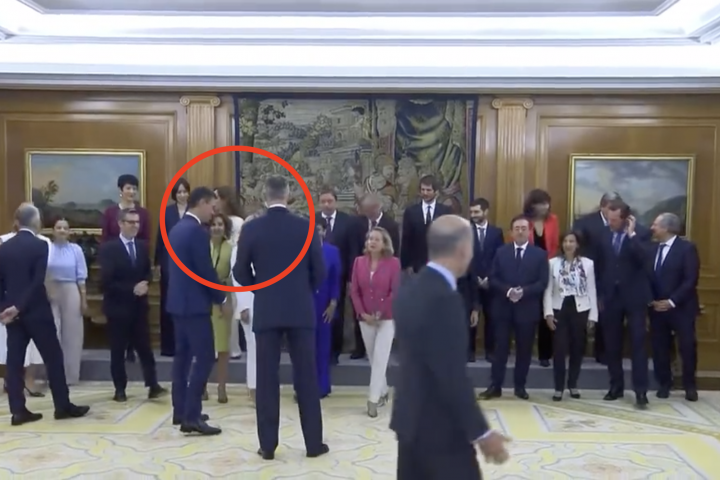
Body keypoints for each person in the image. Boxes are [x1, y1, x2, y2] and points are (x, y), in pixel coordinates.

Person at [391, 215, 510, 480]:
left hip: (409, 421)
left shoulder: (409, 289)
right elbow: (451, 374)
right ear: (463, 249)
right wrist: (482, 433)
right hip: (441, 433)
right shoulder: (445, 298)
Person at [233, 175, 328, 460]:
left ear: (265, 196)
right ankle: (313, 444)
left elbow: (240, 272)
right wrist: (303, 290)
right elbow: (319, 271)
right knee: (307, 377)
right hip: (300, 309)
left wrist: (261, 287)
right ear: (287, 195)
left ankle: (268, 446)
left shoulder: (252, 228)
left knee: (266, 379)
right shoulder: (306, 226)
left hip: (268, 309)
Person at [0, 204, 90, 426]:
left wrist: (5, 308)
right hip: (37, 312)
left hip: (12, 315)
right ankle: (62, 406)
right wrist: (19, 307)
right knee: (54, 358)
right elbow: (37, 280)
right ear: (36, 221)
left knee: (14, 363)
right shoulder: (40, 245)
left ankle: (18, 411)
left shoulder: (4, 247)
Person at [167, 187, 232, 435]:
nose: (213, 212)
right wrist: (221, 298)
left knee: (182, 359)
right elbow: (204, 271)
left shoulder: (177, 228)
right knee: (205, 357)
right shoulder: (196, 232)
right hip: (194, 306)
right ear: (202, 203)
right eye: (212, 207)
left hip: (178, 303)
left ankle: (181, 409)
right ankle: (192, 416)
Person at [98, 208, 166, 402]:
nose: (135, 226)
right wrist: (131, 288)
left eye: (137, 222)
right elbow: (105, 281)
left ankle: (153, 385)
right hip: (118, 308)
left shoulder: (142, 246)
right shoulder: (109, 249)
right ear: (121, 224)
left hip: (139, 308)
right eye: (131, 222)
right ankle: (120, 389)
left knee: (145, 349)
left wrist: (146, 282)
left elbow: (147, 272)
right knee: (118, 350)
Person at [480, 215, 549, 401]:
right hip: (503, 308)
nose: (520, 232)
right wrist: (508, 291)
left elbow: (542, 282)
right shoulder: (501, 252)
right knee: (499, 350)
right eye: (517, 228)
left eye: (523, 228)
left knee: (524, 350)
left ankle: (520, 386)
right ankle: (495, 386)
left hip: (527, 309)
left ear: (529, 231)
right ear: (511, 232)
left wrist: (523, 292)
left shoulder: (539, 254)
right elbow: (493, 278)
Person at [596, 200, 652, 408]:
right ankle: (616, 386)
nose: (610, 223)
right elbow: (599, 266)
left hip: (635, 298)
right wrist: (599, 295)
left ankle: (640, 391)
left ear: (626, 219)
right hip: (610, 297)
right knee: (612, 345)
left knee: (638, 345)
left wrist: (631, 235)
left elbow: (645, 259)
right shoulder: (603, 234)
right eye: (608, 219)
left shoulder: (642, 233)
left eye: (614, 220)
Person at [647, 213, 700, 402]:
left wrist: (671, 301)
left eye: (655, 224)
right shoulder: (652, 249)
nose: (652, 228)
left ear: (666, 228)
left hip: (681, 308)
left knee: (687, 347)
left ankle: (689, 386)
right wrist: (651, 300)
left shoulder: (687, 248)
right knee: (659, 348)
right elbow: (646, 277)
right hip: (657, 308)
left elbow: (690, 279)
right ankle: (664, 384)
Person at [350, 226, 400, 417]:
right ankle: (384, 390)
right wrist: (363, 313)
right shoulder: (359, 262)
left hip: (386, 318)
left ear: (384, 243)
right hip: (365, 318)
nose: (372, 242)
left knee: (380, 358)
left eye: (376, 239)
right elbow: (354, 291)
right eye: (370, 238)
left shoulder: (393, 263)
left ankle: (372, 399)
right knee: (373, 357)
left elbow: (394, 291)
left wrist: (381, 313)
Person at [101, 173, 151, 363]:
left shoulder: (143, 213)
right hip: (116, 266)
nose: (132, 191)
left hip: (136, 263)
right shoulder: (110, 212)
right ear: (120, 190)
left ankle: (133, 348)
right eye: (128, 188)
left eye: (134, 188)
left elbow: (146, 238)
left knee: (138, 315)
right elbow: (105, 237)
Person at [543, 231, 598, 401]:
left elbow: (591, 290)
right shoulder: (553, 263)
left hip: (580, 309)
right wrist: (548, 313)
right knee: (559, 350)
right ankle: (558, 388)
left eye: (572, 241)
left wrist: (593, 316)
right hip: (560, 308)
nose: (568, 244)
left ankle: (573, 384)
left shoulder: (588, 264)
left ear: (577, 244)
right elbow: (548, 290)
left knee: (577, 349)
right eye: (565, 241)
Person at [0, 217, 52, 397]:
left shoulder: (40, 242)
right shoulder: (6, 241)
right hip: (21, 308)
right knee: (16, 350)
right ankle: (62, 404)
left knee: (24, 354)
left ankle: (24, 392)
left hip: (22, 308)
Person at [572, 192, 623, 364]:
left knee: (606, 316)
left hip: (610, 277)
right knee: (582, 314)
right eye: (611, 207)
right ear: (602, 206)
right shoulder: (585, 222)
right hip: (587, 274)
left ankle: (603, 353)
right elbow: (577, 247)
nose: (614, 211)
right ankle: (578, 352)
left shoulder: (622, 223)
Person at [348, 193, 400, 360]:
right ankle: (360, 347)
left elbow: (395, 250)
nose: (366, 214)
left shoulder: (391, 225)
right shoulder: (358, 223)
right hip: (362, 270)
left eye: (369, 211)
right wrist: (353, 274)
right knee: (360, 306)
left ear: (377, 208)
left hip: (384, 273)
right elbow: (353, 248)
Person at [47, 218, 88, 386]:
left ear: (69, 232)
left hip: (71, 290)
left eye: (65, 228)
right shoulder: (47, 248)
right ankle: (53, 374)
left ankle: (70, 375)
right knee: (52, 332)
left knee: (72, 334)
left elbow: (81, 276)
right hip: (50, 290)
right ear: (53, 230)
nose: (62, 231)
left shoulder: (75, 250)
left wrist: (83, 300)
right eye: (59, 227)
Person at [315, 187, 354, 363]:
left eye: (330, 201)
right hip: (317, 280)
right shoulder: (312, 220)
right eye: (323, 201)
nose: (326, 204)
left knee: (337, 313)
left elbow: (352, 250)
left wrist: (351, 277)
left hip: (340, 276)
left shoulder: (347, 221)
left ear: (336, 202)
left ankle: (335, 351)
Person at [523, 189, 559, 367]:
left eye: (547, 203)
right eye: (541, 203)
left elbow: (555, 245)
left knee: (547, 310)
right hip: (528, 270)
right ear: (532, 205)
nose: (546, 207)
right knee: (529, 312)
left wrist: (549, 264)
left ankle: (545, 354)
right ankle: (525, 351)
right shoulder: (524, 221)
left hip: (549, 267)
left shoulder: (553, 220)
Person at [155, 177, 190, 357]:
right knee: (168, 304)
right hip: (169, 264)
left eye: (185, 191)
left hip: (190, 265)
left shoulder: (194, 211)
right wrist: (158, 263)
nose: (182, 195)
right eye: (179, 192)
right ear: (174, 194)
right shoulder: (167, 212)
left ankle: (187, 346)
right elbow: (160, 239)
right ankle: (168, 347)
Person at [468, 197, 504, 362]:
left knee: (492, 317)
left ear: (486, 211)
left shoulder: (496, 233)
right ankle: (470, 351)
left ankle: (490, 351)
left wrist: (489, 277)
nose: (473, 215)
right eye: (471, 212)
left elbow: (499, 257)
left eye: (476, 212)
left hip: (491, 281)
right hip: (471, 280)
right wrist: (475, 276)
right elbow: (464, 256)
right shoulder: (466, 231)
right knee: (471, 317)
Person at [215, 186, 245, 359]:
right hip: (216, 266)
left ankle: (232, 347)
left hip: (231, 269)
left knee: (231, 307)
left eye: (217, 197)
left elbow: (237, 245)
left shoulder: (237, 222)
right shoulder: (214, 220)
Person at [311, 217, 341, 398]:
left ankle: (322, 386)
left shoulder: (332, 251)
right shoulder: (300, 250)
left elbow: (336, 279)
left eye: (319, 229)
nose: (316, 233)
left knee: (322, 347)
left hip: (324, 304)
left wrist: (333, 302)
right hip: (306, 303)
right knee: (305, 348)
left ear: (324, 231)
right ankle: (304, 387)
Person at [400, 175, 452, 274]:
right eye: (422, 190)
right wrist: (407, 265)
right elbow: (406, 240)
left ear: (436, 192)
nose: (425, 193)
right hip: (416, 265)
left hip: (439, 264)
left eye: (428, 190)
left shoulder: (445, 211)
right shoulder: (411, 212)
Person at [207, 213, 234, 404]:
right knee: (203, 346)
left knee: (223, 347)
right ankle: (201, 385)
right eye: (213, 224)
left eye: (220, 224)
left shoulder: (230, 248)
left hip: (223, 297)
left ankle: (221, 386)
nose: (217, 228)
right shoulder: (202, 246)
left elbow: (233, 277)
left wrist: (228, 301)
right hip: (203, 299)